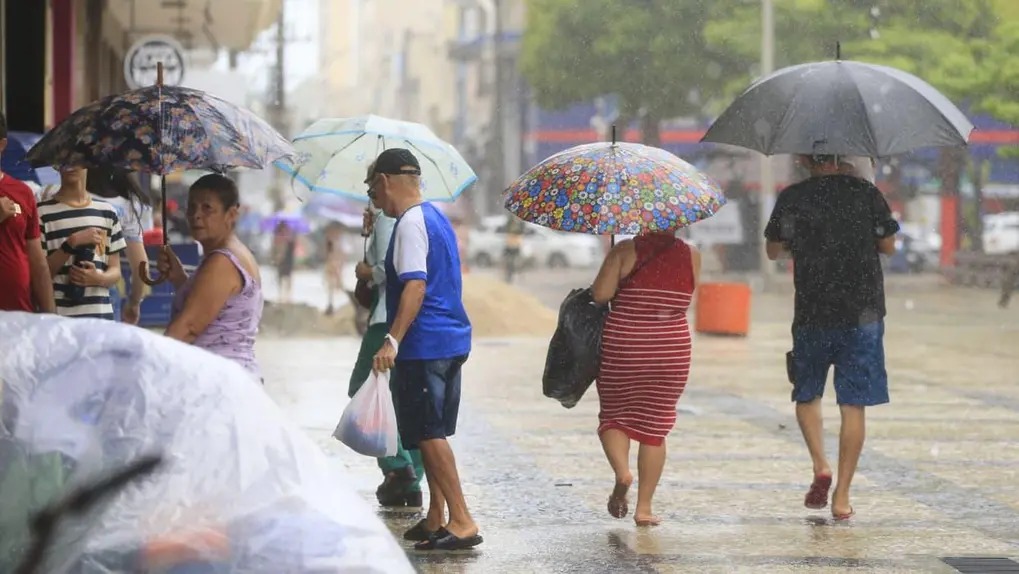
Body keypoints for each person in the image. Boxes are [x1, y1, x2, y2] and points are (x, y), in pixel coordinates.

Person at [765, 154, 899, 521]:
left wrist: (806, 245)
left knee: (807, 393)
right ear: (846, 158)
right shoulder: (866, 193)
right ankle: (842, 496)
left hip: (812, 310)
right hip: (863, 313)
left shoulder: (793, 196)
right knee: (853, 404)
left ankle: (820, 465)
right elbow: (888, 246)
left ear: (806, 158)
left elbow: (773, 250)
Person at [366, 148, 481, 551]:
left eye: (371, 188)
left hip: (424, 344)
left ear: (384, 181)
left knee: (429, 435)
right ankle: (437, 516)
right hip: (450, 339)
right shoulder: (435, 217)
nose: (372, 198)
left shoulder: (411, 224)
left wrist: (392, 339)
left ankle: (463, 519)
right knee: (428, 432)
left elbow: (415, 285)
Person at [591, 232, 700, 527]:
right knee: (655, 425)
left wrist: (613, 262)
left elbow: (600, 295)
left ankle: (623, 472)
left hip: (626, 343)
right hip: (671, 347)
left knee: (615, 414)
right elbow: (685, 296)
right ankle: (644, 508)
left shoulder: (625, 250)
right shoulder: (692, 254)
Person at [348, 192, 426, 509]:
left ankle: (398, 466)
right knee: (402, 398)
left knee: (362, 387)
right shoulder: (416, 220)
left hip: (385, 319)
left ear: (382, 182)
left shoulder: (388, 220)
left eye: (370, 185)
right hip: (408, 319)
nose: (368, 193)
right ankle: (411, 477)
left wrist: (366, 272)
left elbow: (385, 272)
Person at [157, 174, 263, 379]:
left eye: (207, 208)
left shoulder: (222, 262)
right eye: (191, 207)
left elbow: (188, 327)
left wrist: (150, 362)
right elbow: (215, 310)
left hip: (219, 380)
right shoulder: (229, 255)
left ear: (231, 214)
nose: (196, 215)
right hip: (229, 375)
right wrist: (180, 279)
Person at [38, 167, 127, 320]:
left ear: (88, 163)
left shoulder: (107, 212)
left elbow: (115, 270)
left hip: (101, 318)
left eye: (77, 160)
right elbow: (39, 274)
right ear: (56, 165)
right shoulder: (41, 213)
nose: (71, 166)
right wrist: (71, 243)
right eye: (65, 160)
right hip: (60, 320)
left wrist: (98, 278)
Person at [0, 111, 55, 314]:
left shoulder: (23, 193)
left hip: (20, 313)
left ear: (1, 145)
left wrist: (50, 316)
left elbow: (38, 262)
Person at [87, 167, 153, 324]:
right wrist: (134, 302)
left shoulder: (67, 198)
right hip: (105, 293)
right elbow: (141, 265)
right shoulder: (130, 206)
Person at [324, 223, 346, 316]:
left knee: (336, 286)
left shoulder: (339, 241)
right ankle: (331, 305)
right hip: (332, 265)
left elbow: (341, 254)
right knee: (332, 286)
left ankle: (333, 306)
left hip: (336, 265)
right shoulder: (331, 241)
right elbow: (328, 254)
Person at [272, 221, 296, 303]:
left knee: (287, 278)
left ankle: (287, 295)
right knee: (281, 277)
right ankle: (282, 295)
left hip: (288, 259)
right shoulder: (279, 237)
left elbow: (292, 248)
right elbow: (276, 249)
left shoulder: (289, 237)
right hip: (282, 259)